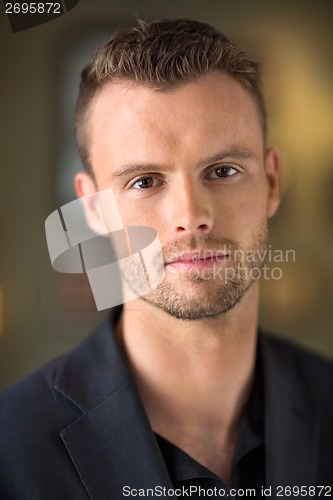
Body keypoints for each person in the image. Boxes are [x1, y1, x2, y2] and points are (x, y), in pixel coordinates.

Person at [1, 18, 333, 500]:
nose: (192, 217)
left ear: (272, 182)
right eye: (144, 181)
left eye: (222, 170)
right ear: (92, 208)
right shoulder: (11, 449)